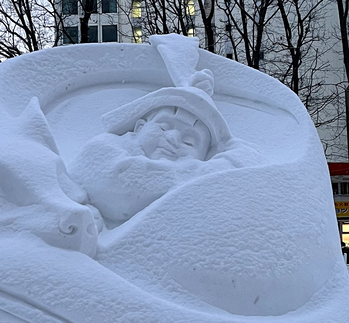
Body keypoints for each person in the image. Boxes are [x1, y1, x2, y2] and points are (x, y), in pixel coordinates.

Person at [68, 78, 257, 228]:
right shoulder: (103, 147)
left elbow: (250, 169)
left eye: (189, 141)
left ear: (203, 157)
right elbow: (124, 185)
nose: (174, 138)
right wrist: (198, 174)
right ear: (139, 127)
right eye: (164, 127)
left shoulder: (198, 178)